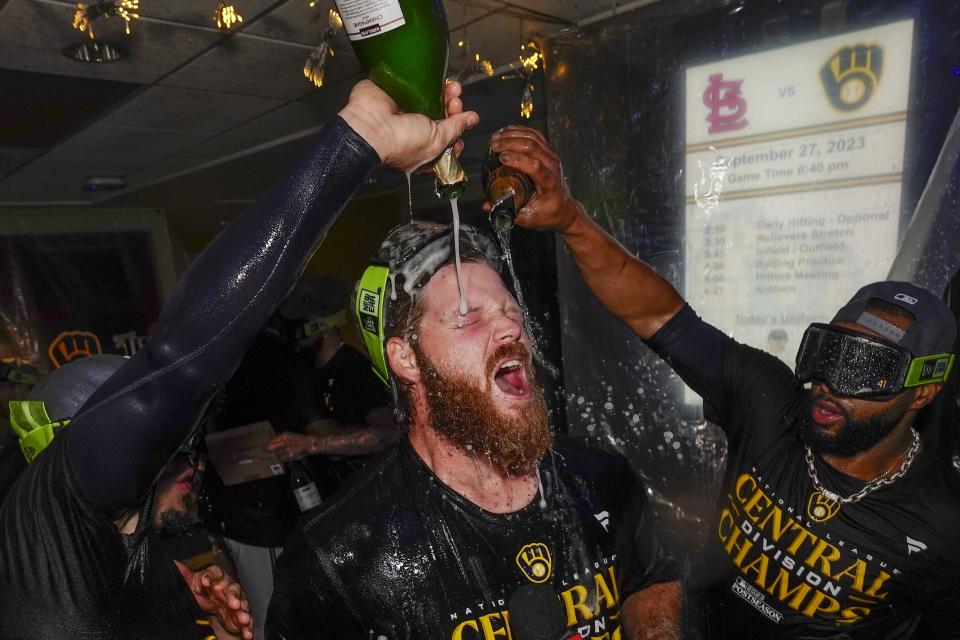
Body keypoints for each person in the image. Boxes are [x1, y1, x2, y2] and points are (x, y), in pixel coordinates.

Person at [0, 79, 477, 639]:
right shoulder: (65, 502)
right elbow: (182, 353)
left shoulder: (129, 549)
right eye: (163, 451)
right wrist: (357, 142)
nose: (187, 465)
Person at [488, 125, 960, 638]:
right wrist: (572, 221)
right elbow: (660, 316)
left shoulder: (942, 523)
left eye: (866, 369)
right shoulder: (771, 402)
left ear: (925, 389)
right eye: (829, 354)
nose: (829, 383)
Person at [266, 221, 681, 640]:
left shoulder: (603, 479)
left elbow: (650, 578)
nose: (511, 328)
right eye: (469, 317)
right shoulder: (337, 558)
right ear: (407, 358)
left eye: (510, 310)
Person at [200, 276, 395, 639]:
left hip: (363, 523)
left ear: (317, 325)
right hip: (327, 520)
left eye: (294, 324)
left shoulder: (355, 372)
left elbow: (388, 434)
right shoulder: (306, 373)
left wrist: (311, 445)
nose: (287, 332)